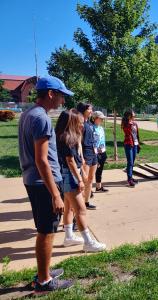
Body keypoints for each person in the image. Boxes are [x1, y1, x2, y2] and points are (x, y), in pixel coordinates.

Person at [18, 76, 73, 293]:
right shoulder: (41, 118)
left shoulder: (29, 114)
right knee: (46, 231)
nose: (62, 100)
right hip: (43, 183)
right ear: (50, 93)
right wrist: (56, 194)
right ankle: (44, 281)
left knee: (46, 229)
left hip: (35, 181)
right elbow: (42, 160)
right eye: (61, 96)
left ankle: (45, 270)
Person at [55, 109, 106, 252]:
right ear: (71, 122)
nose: (82, 126)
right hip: (70, 175)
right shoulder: (67, 137)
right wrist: (80, 179)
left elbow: (76, 157)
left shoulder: (64, 135)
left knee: (69, 207)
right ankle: (88, 243)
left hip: (67, 174)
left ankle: (69, 236)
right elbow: (70, 160)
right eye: (79, 123)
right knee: (81, 210)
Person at [77, 103, 97, 210]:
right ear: (83, 110)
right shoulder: (80, 123)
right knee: (83, 180)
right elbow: (79, 142)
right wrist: (82, 158)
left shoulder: (89, 123)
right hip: (85, 153)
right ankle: (78, 205)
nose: (91, 111)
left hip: (93, 153)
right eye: (89, 109)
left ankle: (86, 202)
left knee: (90, 180)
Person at [122, 110, 140, 187]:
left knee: (132, 161)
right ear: (129, 115)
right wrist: (130, 124)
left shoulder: (134, 123)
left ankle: (131, 177)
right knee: (130, 162)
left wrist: (138, 143)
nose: (134, 115)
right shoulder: (126, 124)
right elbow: (127, 133)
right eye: (133, 114)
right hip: (129, 144)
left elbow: (136, 134)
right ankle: (129, 179)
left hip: (135, 144)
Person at [92, 111, 109, 193]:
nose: (102, 120)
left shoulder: (101, 128)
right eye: (101, 118)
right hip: (95, 153)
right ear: (95, 118)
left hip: (102, 152)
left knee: (100, 170)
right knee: (92, 171)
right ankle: (88, 189)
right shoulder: (91, 128)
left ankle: (98, 187)